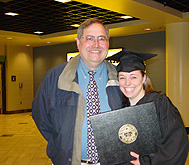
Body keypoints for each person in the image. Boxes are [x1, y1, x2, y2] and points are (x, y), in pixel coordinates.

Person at [32, 18, 123, 165]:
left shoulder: (121, 78)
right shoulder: (55, 77)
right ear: (78, 42)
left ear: (108, 43)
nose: (96, 44)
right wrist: (59, 145)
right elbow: (40, 115)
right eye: (89, 38)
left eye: (102, 39)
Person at [115, 50, 189, 165]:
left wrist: (146, 161)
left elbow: (176, 143)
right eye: (122, 78)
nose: (127, 83)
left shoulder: (159, 104)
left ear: (144, 78)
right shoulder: (120, 110)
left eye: (133, 77)